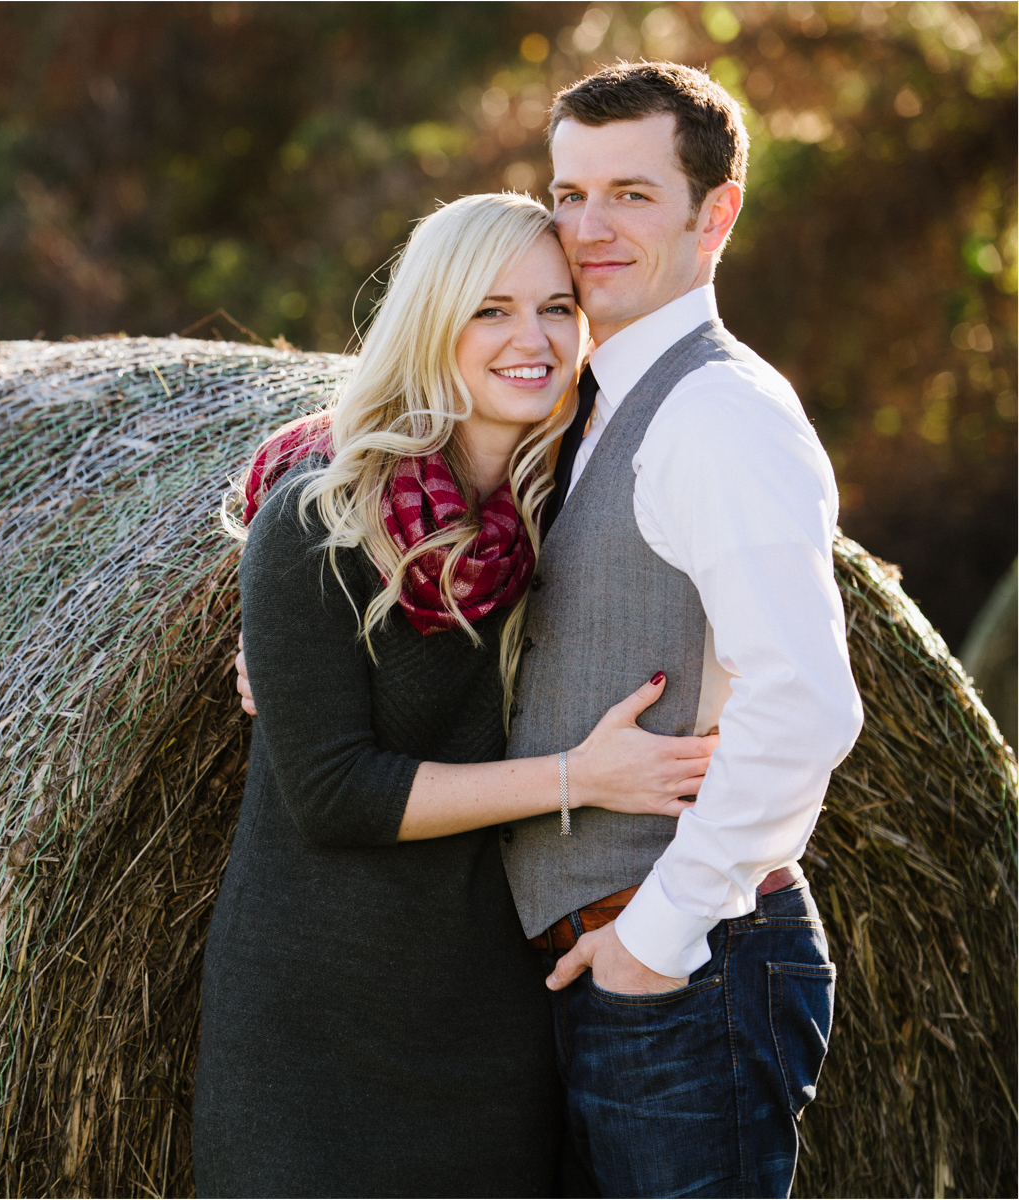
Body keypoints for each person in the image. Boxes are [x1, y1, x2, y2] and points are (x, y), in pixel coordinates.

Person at [235, 63, 863, 1199]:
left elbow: (810, 702)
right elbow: (390, 509)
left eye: (630, 194)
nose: (588, 229)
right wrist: (282, 641)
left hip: (673, 959)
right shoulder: (571, 433)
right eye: (571, 193)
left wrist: (653, 941)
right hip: (522, 985)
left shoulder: (715, 416)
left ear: (714, 212)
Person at [194, 191, 720, 1199]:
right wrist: (579, 778)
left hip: (489, 1018)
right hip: (314, 1035)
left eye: (558, 306)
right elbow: (335, 792)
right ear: (433, 322)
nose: (533, 339)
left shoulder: (571, 511)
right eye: (491, 310)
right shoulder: (322, 517)